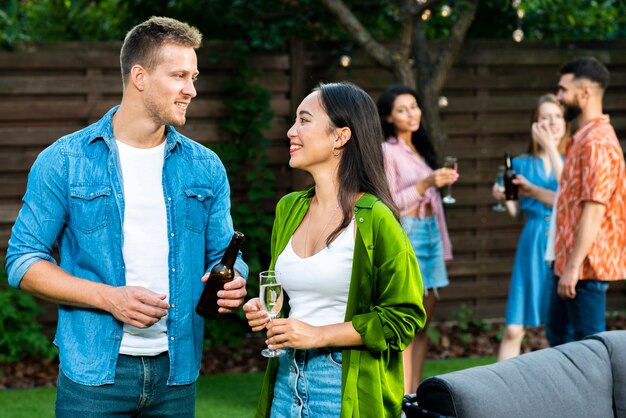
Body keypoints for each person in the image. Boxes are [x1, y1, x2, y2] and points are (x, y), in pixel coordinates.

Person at [5, 17, 248, 417]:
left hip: (177, 372)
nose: (192, 89)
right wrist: (109, 298)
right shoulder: (65, 161)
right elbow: (23, 261)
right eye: (179, 76)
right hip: (94, 376)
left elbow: (224, 255)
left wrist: (234, 278)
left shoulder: (205, 167)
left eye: (194, 76)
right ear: (140, 76)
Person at [243, 82, 426, 417]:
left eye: (304, 120)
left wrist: (317, 335)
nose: (290, 131)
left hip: (342, 386)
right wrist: (267, 307)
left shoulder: (376, 219)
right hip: (286, 381)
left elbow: (403, 318)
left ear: (341, 137)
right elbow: (290, 292)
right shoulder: (289, 209)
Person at [376, 84, 457, 393]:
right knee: (408, 327)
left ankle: (415, 394)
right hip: (408, 235)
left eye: (414, 106)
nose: (411, 113)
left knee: (423, 326)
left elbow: (436, 209)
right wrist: (425, 184)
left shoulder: (420, 151)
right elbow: (387, 204)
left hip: (431, 236)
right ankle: (402, 399)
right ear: (388, 118)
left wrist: (444, 248)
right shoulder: (387, 151)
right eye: (402, 109)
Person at [548, 57, 626, 346]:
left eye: (563, 89)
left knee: (590, 353)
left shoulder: (597, 144)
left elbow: (593, 212)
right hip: (570, 266)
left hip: (585, 270)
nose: (558, 97)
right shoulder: (582, 138)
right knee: (561, 345)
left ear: (585, 93)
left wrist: (572, 268)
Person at [492, 94, 570, 360]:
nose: (552, 122)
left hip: (564, 242)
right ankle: (499, 391)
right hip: (533, 240)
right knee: (514, 329)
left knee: (561, 328)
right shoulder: (522, 163)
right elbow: (516, 214)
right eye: (545, 117)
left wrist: (550, 147)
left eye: (557, 116)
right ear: (534, 124)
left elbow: (567, 194)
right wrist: (506, 198)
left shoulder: (572, 157)